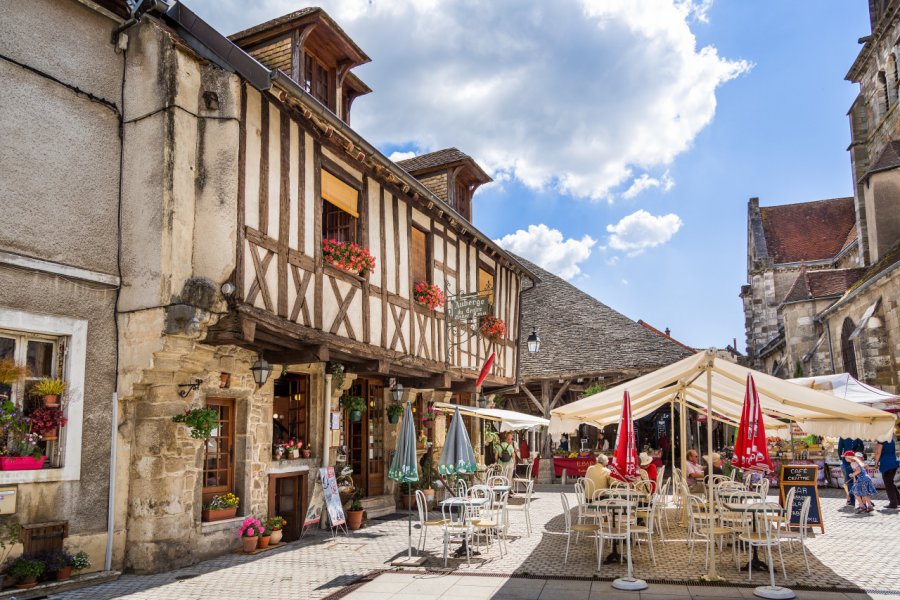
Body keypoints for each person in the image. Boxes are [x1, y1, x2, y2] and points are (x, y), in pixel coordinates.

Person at [838, 437, 865, 507]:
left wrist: (841, 458)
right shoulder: (857, 434)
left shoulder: (843, 436)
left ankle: (852, 502)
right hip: (854, 460)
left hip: (847, 461)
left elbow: (840, 449)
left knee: (850, 482)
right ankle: (862, 501)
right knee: (858, 481)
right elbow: (862, 447)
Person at [875, 435, 899, 510]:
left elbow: (878, 452)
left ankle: (893, 503)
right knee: (891, 483)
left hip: (886, 464)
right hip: (893, 462)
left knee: (888, 484)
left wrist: (876, 463)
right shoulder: (892, 440)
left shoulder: (881, 440)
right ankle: (898, 500)